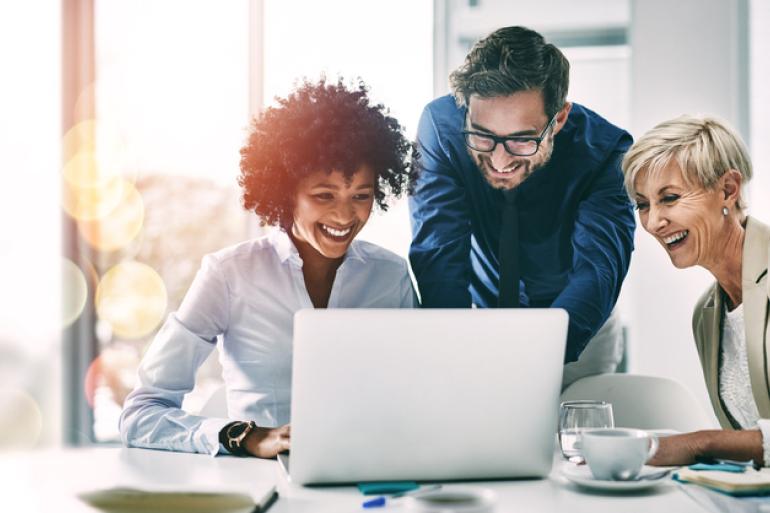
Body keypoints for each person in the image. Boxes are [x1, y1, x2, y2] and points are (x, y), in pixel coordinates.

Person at [119, 78, 418, 458]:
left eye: (361, 195)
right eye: (324, 195)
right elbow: (141, 414)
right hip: (262, 484)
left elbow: (417, 395)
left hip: (367, 476)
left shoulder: (390, 277)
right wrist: (248, 437)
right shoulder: (229, 275)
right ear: (285, 191)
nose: (345, 215)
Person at [409, 26, 635, 386]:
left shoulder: (608, 152)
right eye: (483, 135)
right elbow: (438, 252)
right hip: (479, 320)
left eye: (521, 140)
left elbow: (597, 272)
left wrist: (527, 357)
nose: (499, 159)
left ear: (558, 118)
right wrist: (451, 350)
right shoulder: (441, 128)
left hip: (577, 330)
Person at [622, 114, 770, 466]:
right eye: (643, 205)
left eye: (669, 198)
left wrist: (701, 443)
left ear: (728, 190)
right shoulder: (707, 313)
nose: (654, 222)